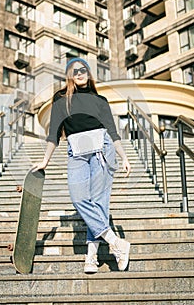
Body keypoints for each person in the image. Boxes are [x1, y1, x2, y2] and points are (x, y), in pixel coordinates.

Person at [33, 57, 131, 273]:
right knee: (78, 198)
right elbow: (53, 134)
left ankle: (91, 257)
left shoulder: (100, 100)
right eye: (74, 70)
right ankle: (115, 241)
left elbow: (112, 132)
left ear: (88, 72)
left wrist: (123, 157)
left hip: (102, 149)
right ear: (69, 75)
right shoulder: (60, 99)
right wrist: (44, 161)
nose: (79, 73)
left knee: (99, 203)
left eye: (83, 69)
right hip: (76, 151)